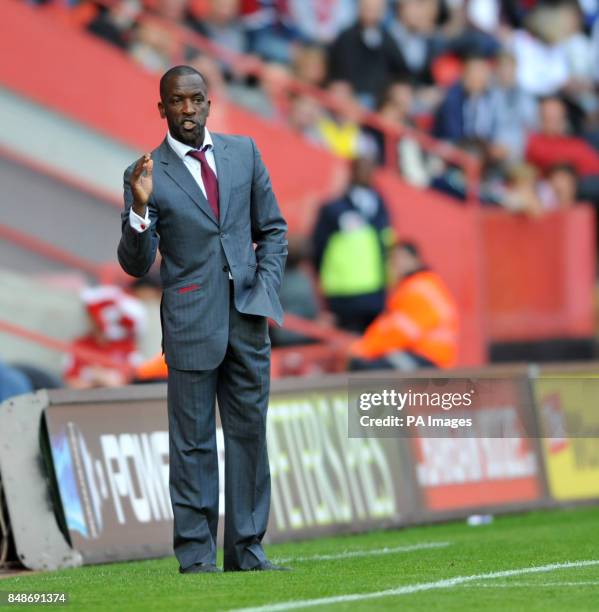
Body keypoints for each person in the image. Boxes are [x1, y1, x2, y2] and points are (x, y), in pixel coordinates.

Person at [117, 65, 288, 574]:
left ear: (210, 103)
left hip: (248, 319)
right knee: (191, 444)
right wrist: (140, 210)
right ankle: (196, 557)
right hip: (191, 323)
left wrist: (266, 288)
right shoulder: (144, 173)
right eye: (176, 101)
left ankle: (248, 551)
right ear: (161, 108)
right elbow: (134, 263)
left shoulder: (245, 153)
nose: (187, 110)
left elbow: (273, 230)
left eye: (195, 100)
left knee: (249, 437)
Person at [312, 155, 394, 333]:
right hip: (342, 293)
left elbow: (387, 245)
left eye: (369, 168)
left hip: (374, 291)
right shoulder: (333, 209)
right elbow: (317, 248)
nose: (365, 173)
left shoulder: (381, 208)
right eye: (361, 168)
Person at [350, 241, 458, 371]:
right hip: (423, 355)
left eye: (402, 258)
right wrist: (365, 345)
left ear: (416, 260)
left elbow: (402, 332)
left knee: (368, 369)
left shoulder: (418, 288)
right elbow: (387, 327)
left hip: (430, 357)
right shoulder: (413, 287)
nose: (398, 265)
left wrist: (365, 349)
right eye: (394, 260)